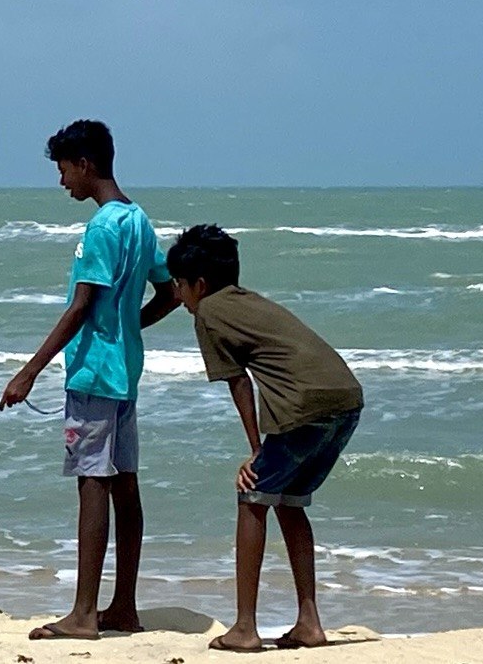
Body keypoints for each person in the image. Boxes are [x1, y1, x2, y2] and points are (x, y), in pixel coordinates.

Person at [0, 119, 180, 640]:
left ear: (85, 164)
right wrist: (129, 328)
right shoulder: (138, 221)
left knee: (92, 483)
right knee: (125, 483)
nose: (62, 182)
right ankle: (123, 607)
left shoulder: (101, 228)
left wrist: (28, 371)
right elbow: (170, 292)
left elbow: (81, 306)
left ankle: (83, 614)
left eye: (64, 170)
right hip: (125, 371)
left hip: (94, 373)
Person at [167, 224, 363, 652]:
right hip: (346, 400)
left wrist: (256, 451)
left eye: (179, 285)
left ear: (200, 285)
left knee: (252, 497)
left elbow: (239, 383)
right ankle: (309, 623)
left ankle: (244, 628)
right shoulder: (248, 300)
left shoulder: (209, 312)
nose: (177, 295)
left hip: (303, 406)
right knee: (289, 504)